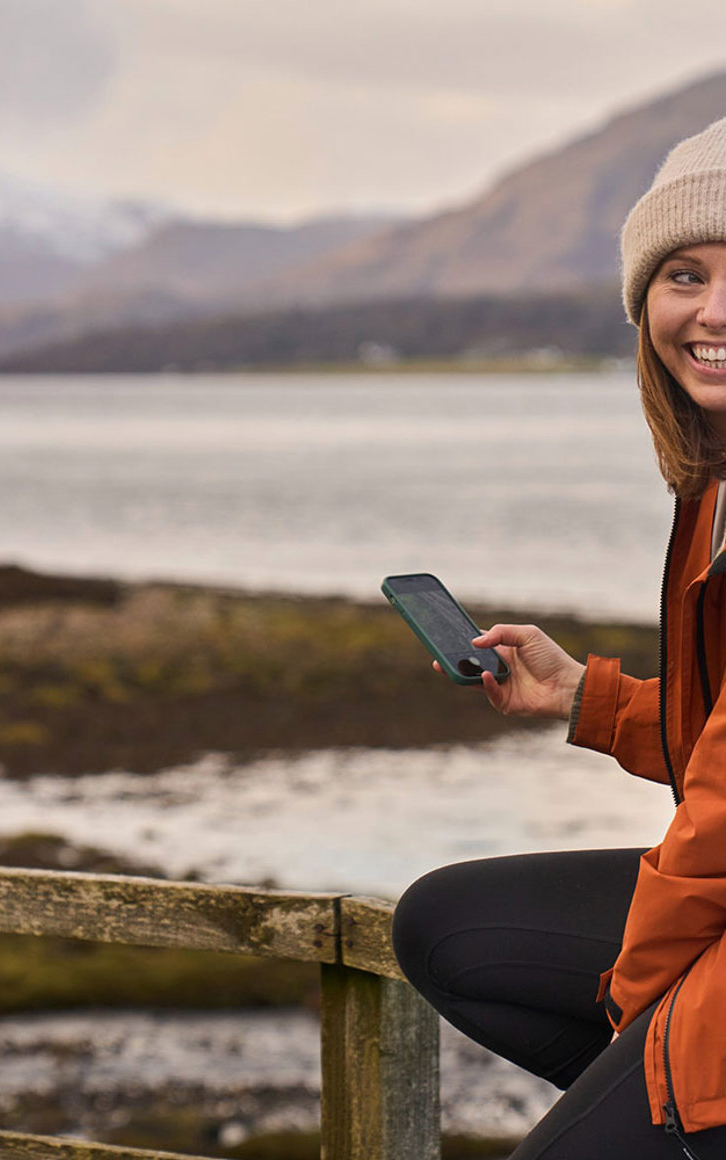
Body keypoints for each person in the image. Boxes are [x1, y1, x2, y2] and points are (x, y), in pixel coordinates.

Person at [392, 116, 726, 1158]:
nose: (713, 311)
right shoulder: (712, 485)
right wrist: (589, 696)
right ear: (643, 303)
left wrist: (644, 1002)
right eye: (684, 273)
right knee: (446, 925)